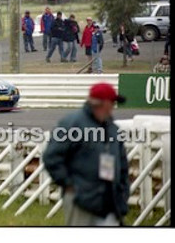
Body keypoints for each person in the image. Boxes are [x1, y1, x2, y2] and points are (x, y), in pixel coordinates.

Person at [43, 83, 129, 226]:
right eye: (112, 102)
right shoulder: (72, 123)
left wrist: (123, 191)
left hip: (109, 199)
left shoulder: (113, 129)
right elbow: (51, 157)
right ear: (102, 103)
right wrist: (69, 185)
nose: (113, 106)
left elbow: (122, 164)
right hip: (81, 199)